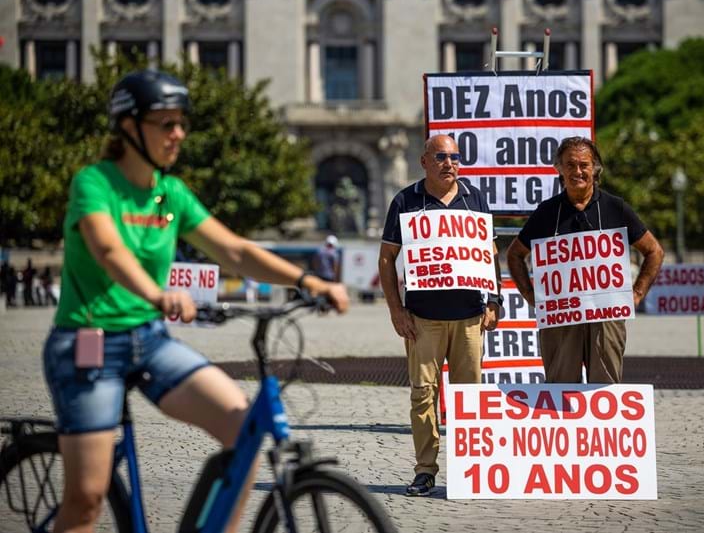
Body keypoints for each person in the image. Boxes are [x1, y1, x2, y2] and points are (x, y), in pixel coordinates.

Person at [42, 69, 349, 533]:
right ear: (129, 127)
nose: (179, 133)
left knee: (244, 429)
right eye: (166, 123)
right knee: (86, 499)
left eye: (181, 122)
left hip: (150, 340)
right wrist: (155, 293)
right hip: (89, 346)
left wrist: (309, 280)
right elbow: (108, 250)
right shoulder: (95, 183)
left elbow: (235, 250)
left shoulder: (172, 194)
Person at [378, 134, 502, 497]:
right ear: (424, 162)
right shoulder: (405, 200)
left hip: (468, 317)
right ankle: (425, 471)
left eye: (455, 157)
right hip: (422, 318)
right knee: (423, 396)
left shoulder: (474, 197)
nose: (450, 163)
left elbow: (488, 252)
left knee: (470, 397)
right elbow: (387, 259)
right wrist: (396, 310)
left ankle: (470, 470)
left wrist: (494, 300)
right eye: (442, 157)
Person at [506, 136, 663, 384]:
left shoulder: (615, 208)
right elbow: (514, 254)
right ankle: (561, 425)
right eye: (570, 165)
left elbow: (654, 251)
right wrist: (531, 295)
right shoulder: (547, 212)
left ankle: (606, 426)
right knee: (560, 386)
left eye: (584, 165)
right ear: (559, 169)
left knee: (605, 387)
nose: (577, 171)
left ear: (595, 169)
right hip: (560, 317)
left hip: (606, 316)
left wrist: (637, 294)